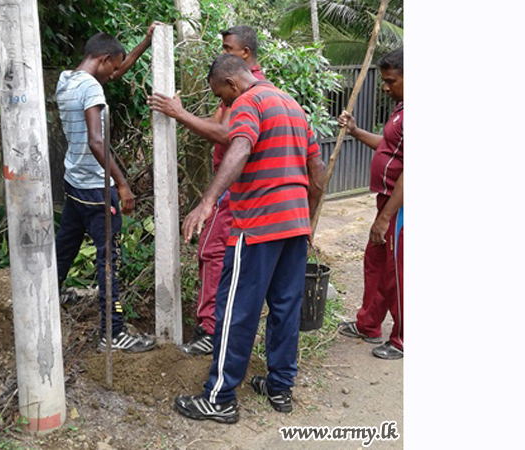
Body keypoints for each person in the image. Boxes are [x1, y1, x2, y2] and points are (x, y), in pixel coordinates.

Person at [174, 54, 325, 423]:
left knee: (235, 311)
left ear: (231, 84)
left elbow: (239, 146)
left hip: (257, 225)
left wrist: (207, 201)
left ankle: (219, 398)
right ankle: (279, 387)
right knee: (286, 307)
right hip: (295, 225)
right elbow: (317, 173)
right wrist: (306, 220)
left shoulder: (249, 101)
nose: (225, 105)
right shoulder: (292, 105)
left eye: (222, 98)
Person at [147, 25, 266, 356]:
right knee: (218, 253)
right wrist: (181, 114)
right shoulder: (239, 88)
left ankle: (211, 329)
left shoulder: (246, 91)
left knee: (212, 251)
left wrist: (179, 113)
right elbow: (217, 127)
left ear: (244, 54)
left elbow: (227, 136)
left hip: (235, 186)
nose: (223, 53)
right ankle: (217, 325)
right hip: (230, 183)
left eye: (228, 48)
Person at [54, 26, 161, 353]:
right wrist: (123, 184)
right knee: (108, 261)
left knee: (64, 248)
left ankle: (47, 300)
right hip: (97, 189)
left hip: (73, 183)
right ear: (102, 60)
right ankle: (112, 332)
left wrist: (145, 41)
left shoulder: (67, 82)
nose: (116, 73)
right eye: (113, 66)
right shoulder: (92, 91)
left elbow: (116, 69)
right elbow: (96, 142)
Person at [337, 47, 403, 360]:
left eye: (391, 80)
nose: (385, 87)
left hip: (399, 206)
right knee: (375, 263)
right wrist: (354, 131)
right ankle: (369, 324)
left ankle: (402, 338)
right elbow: (388, 146)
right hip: (385, 201)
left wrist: (387, 217)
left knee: (397, 273)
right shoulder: (402, 108)